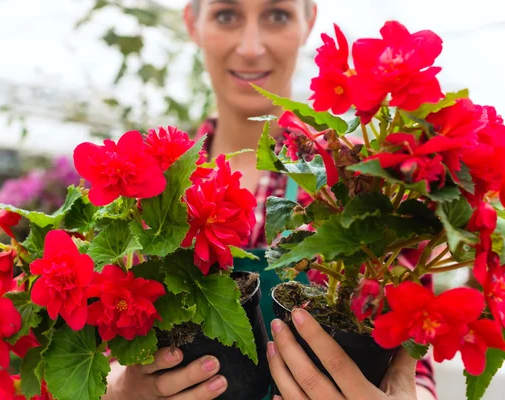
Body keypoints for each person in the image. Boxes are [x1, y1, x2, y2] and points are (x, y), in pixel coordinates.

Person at [103, 1, 437, 399]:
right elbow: (112, 345)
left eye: (277, 14)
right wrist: (120, 391)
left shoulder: (365, 182)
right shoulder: (149, 188)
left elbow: (410, 366)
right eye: (226, 14)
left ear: (308, 20)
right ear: (193, 22)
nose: (250, 47)